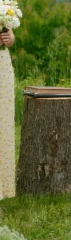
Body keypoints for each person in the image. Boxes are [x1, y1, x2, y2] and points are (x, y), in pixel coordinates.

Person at [0, 28, 16, 201]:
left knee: (3, 126)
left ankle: (4, 186)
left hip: (2, 66)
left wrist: (9, 38)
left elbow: (10, 36)